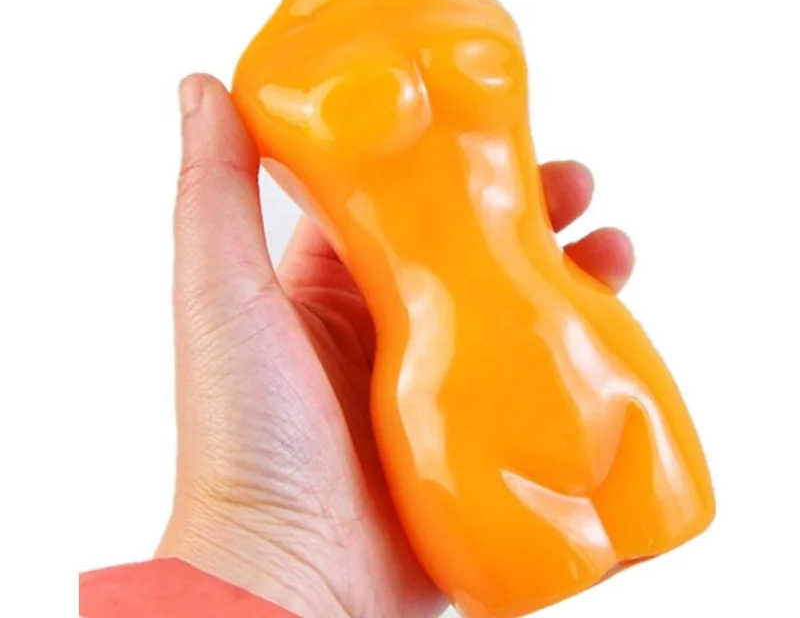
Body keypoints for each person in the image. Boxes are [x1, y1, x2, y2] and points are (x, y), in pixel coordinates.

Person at [79, 73, 635, 618]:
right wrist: (263, 543)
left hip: (565, 349)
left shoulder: (282, 80)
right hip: (465, 385)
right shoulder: (277, 79)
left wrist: (266, 557)